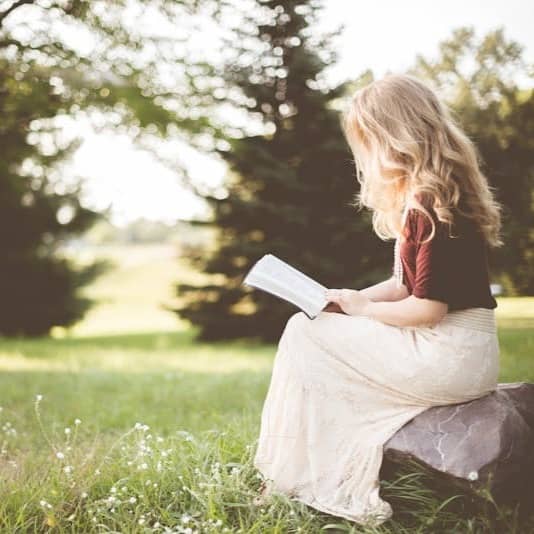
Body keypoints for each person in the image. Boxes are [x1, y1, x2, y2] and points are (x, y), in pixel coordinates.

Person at [251, 73, 503, 525]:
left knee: (303, 333)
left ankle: (293, 476)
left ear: (395, 137)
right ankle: (294, 472)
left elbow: (427, 310)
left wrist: (363, 312)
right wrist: (347, 298)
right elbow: (403, 285)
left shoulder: (431, 202)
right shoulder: (429, 195)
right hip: (457, 351)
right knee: (313, 327)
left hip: (450, 353)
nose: (363, 155)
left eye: (367, 141)